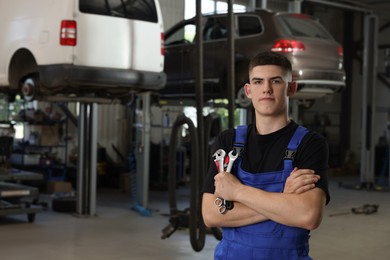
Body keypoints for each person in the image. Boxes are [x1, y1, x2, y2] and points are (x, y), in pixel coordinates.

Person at [201, 51, 330, 259]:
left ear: (291, 87)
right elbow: (210, 215)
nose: (266, 89)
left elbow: (308, 216)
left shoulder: (311, 144)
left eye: (276, 81)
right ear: (248, 90)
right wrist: (285, 201)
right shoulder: (227, 141)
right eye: (258, 82)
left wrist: (237, 192)